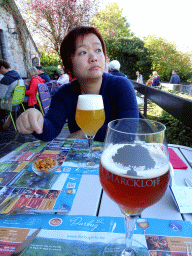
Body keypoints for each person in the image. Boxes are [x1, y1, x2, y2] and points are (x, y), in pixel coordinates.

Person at [16, 26, 139, 142]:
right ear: (69, 66)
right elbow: (51, 128)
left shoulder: (120, 86)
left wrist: (84, 134)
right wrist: (35, 121)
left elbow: (128, 132)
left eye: (98, 50)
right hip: (82, 158)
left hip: (114, 157)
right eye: (83, 52)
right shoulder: (64, 93)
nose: (94, 57)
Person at [0, 59, 24, 130]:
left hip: (7, 102)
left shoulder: (6, 79)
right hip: (17, 100)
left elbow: (1, 96)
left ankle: (2, 119)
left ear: (2, 67)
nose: (0, 72)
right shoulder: (17, 75)